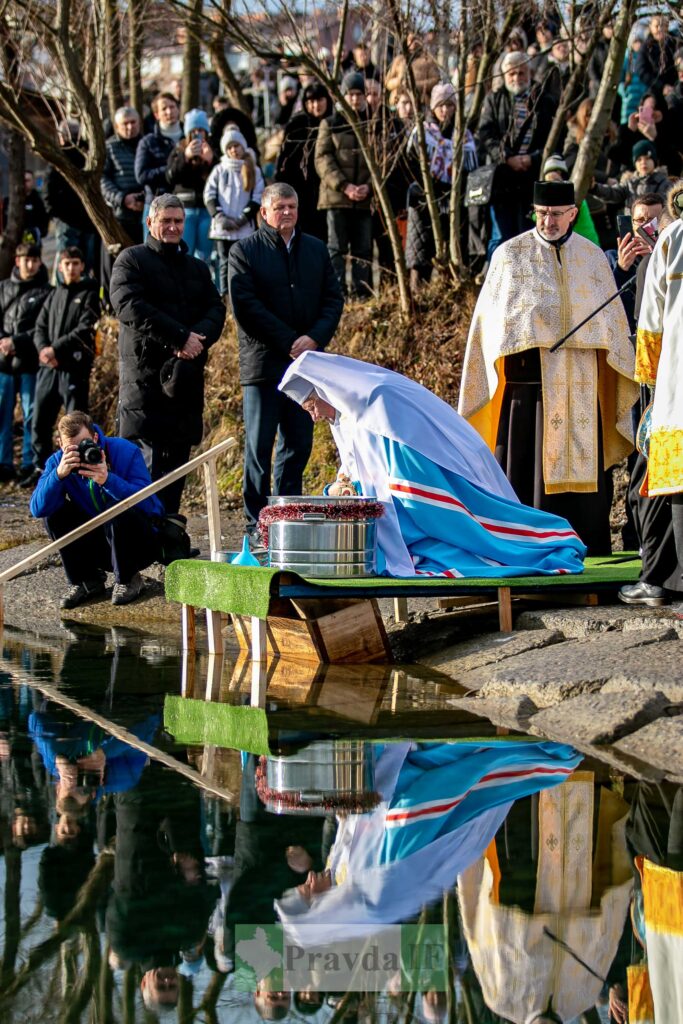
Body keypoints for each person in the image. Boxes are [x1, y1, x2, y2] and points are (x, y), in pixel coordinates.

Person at [280, 351, 585, 577]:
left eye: (311, 406)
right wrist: (341, 486)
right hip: (412, 490)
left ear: (324, 390)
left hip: (444, 477)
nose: (315, 416)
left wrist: (375, 495)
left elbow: (409, 467)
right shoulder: (346, 416)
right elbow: (357, 466)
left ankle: (537, 543)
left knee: (425, 521)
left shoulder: (378, 399)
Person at [459, 180, 638, 555]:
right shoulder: (510, 256)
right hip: (531, 391)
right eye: (542, 214)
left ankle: (588, 547)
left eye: (557, 215)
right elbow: (489, 329)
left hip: (584, 388)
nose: (549, 222)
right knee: (528, 472)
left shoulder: (591, 258)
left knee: (585, 477)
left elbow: (613, 329)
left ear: (573, 214)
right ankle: (530, 550)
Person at [227, 183, 343, 543]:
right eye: (279, 207)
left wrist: (314, 338)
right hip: (263, 366)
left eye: (292, 206)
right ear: (264, 212)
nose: (287, 213)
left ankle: (286, 516)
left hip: (306, 365)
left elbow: (333, 299)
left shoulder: (315, 249)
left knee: (298, 444)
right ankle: (256, 523)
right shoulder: (244, 251)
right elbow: (246, 306)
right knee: (260, 447)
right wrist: (288, 340)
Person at [109, 194, 225, 514]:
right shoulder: (130, 260)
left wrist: (197, 340)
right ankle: (140, 543)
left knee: (176, 470)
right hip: (144, 387)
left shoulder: (198, 269)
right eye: (166, 221)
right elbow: (129, 305)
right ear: (150, 222)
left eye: (178, 221)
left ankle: (169, 542)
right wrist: (180, 337)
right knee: (143, 473)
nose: (173, 227)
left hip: (184, 383)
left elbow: (216, 309)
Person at [29, 411, 165, 608]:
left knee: (117, 508)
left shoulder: (124, 451)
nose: (80, 454)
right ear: (61, 445)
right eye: (71, 449)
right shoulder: (57, 461)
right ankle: (86, 580)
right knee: (53, 513)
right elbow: (37, 509)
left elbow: (151, 506)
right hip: (101, 543)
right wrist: (58, 476)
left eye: (84, 445)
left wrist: (108, 480)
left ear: (94, 437)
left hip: (138, 543)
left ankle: (128, 579)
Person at [633, 180, 683, 595]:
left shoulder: (672, 238)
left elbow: (649, 323)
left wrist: (648, 380)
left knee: (678, 482)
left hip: (676, 385)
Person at [29, 246, 100, 479]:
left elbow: (85, 328)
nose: (71, 268)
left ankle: (80, 469)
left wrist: (55, 348)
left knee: (77, 423)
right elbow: (39, 327)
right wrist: (43, 350)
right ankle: (41, 468)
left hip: (73, 369)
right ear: (60, 266)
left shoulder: (89, 294)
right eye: (67, 264)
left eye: (75, 264)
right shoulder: (53, 294)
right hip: (48, 368)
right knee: (39, 418)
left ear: (82, 266)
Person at [476, 51, 555, 256]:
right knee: (501, 236)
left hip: (532, 177)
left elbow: (552, 137)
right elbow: (486, 133)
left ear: (529, 73)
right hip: (502, 178)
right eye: (512, 74)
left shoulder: (543, 100)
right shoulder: (495, 100)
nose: (516, 78)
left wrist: (533, 158)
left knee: (528, 233)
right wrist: (507, 157)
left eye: (521, 73)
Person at [315, 71, 373, 299]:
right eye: (351, 94)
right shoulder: (329, 124)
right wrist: (344, 185)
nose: (355, 99)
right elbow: (322, 159)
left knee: (363, 250)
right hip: (337, 197)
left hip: (364, 198)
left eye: (359, 94)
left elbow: (378, 161)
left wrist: (368, 187)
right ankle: (337, 294)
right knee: (336, 248)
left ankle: (361, 293)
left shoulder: (371, 124)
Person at [0, 242, 50, 483]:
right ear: (17, 261)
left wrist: (16, 342)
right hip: (3, 364)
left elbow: (42, 328)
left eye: (33, 260)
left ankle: (29, 462)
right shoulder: (3, 288)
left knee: (32, 414)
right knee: (2, 414)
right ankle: (4, 462)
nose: (29, 265)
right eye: (25, 260)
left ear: (39, 262)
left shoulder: (46, 292)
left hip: (30, 363)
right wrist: (4, 343)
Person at [203, 127, 264, 296]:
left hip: (244, 227)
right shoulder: (219, 170)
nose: (233, 150)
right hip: (223, 228)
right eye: (229, 147)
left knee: (244, 264)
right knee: (224, 263)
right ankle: (225, 297)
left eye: (236, 145)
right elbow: (209, 194)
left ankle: (243, 295)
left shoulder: (254, 169)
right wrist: (220, 216)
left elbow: (257, 196)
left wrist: (243, 218)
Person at [275, 82, 331, 241]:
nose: (315, 105)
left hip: (327, 192)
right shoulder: (297, 125)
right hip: (301, 193)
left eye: (319, 100)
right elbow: (284, 161)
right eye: (311, 101)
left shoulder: (336, 123)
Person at [100, 106, 145, 295]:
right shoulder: (109, 147)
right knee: (117, 263)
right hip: (120, 214)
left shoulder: (147, 143)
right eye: (124, 124)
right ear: (117, 126)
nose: (129, 127)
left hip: (145, 211)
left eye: (133, 122)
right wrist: (123, 199)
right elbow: (102, 180)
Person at [166, 107, 217, 262]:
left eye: (202, 130)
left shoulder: (212, 150)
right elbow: (170, 177)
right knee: (184, 254)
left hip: (206, 210)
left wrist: (211, 161)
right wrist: (185, 157)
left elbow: (221, 179)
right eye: (194, 130)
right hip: (185, 210)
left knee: (204, 256)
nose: (198, 134)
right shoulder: (178, 150)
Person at [134, 92, 183, 230]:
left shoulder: (189, 138)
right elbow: (142, 175)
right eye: (164, 108)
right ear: (156, 115)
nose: (169, 111)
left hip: (186, 204)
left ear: (178, 108)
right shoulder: (148, 142)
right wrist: (170, 170)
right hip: (156, 204)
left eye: (172, 106)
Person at [2, 170, 49, 244]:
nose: (25, 183)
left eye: (27, 180)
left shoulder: (38, 201)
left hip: (32, 240)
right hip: (12, 240)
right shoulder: (9, 200)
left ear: (33, 182)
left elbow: (44, 222)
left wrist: (37, 233)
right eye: (23, 180)